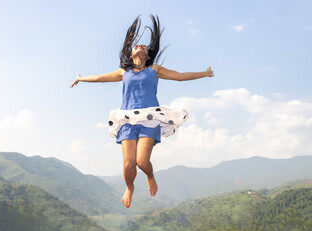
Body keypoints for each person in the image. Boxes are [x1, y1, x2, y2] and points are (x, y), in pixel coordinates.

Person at [70, 15, 214, 208]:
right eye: (137, 46)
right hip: (127, 119)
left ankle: (150, 176)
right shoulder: (124, 72)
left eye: (144, 47)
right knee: (129, 165)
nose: (141, 47)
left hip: (150, 117)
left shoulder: (154, 69)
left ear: (148, 56)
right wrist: (81, 78)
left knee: (142, 161)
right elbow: (100, 78)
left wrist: (203, 74)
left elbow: (180, 76)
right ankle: (129, 188)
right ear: (131, 55)